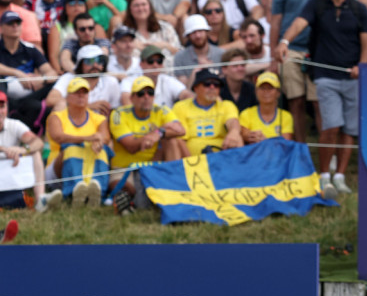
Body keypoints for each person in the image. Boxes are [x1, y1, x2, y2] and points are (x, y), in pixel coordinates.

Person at [275, 0, 367, 197]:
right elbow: (298, 24)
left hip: (352, 76)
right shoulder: (316, 5)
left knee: (349, 129)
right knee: (331, 125)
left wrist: (363, 66)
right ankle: (323, 175)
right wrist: (285, 41)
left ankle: (339, 175)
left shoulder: (359, 8)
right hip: (325, 76)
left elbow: (366, 41)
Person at [270, 0, 324, 142]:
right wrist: (273, 54)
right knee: (296, 101)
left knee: (319, 102)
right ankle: (301, 150)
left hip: (319, 48)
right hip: (289, 47)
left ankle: (326, 151)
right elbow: (275, 21)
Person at [109, 75, 187, 214]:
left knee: (173, 140)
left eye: (150, 93)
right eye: (141, 94)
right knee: (122, 187)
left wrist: (159, 132)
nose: (146, 97)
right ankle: (129, 200)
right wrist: (151, 135)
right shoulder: (119, 114)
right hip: (126, 166)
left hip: (153, 163)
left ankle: (174, 186)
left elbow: (180, 130)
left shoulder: (161, 110)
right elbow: (131, 146)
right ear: (131, 98)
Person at [45, 77, 111, 206]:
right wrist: (87, 138)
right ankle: (74, 189)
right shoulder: (56, 117)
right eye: (76, 92)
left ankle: (96, 190)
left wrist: (98, 141)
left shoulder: (99, 118)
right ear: (68, 97)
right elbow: (59, 137)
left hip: (87, 164)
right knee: (71, 149)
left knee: (102, 149)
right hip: (56, 169)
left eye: (84, 92)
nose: (81, 95)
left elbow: (105, 138)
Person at [0, 90, 60, 214]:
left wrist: (22, 150)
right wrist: (5, 150)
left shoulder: (13, 125)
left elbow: (38, 142)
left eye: (2, 106)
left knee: (35, 153)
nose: (0, 111)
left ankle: (40, 199)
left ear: (7, 108)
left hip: (9, 169)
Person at [0, 10, 56, 129]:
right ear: (1, 29)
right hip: (5, 95)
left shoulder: (30, 49)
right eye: (10, 23)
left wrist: (42, 80)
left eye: (18, 23)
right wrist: (18, 73)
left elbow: (52, 73)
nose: (15, 26)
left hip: (30, 93)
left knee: (56, 82)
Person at [173, 67, 243, 156]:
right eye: (207, 84)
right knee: (173, 139)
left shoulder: (226, 105)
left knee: (238, 137)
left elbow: (233, 121)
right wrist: (191, 162)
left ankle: (238, 168)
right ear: (196, 87)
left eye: (216, 84)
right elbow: (180, 139)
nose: (212, 87)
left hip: (223, 155)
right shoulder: (181, 107)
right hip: (193, 160)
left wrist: (234, 131)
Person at [239, 71, 294, 143]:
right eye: (262, 88)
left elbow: (286, 143)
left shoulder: (286, 116)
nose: (266, 91)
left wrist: (265, 141)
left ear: (278, 93)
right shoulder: (246, 113)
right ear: (256, 91)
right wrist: (251, 136)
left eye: (270, 88)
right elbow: (243, 134)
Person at [174, 14, 224, 86]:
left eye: (200, 31)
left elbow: (225, 84)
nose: (198, 36)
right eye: (193, 32)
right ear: (188, 36)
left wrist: (212, 71)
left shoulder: (221, 54)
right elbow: (184, 91)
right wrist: (195, 72)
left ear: (207, 32)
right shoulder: (180, 57)